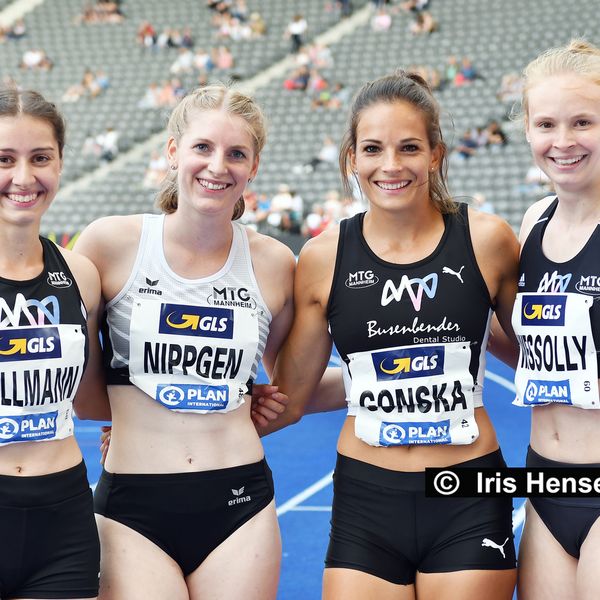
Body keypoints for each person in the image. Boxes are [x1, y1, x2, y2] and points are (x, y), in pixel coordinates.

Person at [262, 71, 520, 599]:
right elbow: (290, 397)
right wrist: (153, 432)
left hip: (469, 488)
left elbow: (547, 363)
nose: (391, 165)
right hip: (366, 496)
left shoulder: (489, 240)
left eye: (409, 148)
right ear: (352, 158)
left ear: (435, 155)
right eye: (373, 149)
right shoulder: (323, 257)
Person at [74, 84, 295, 600]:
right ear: (172, 151)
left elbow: (290, 384)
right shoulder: (110, 244)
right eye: (202, 147)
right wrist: (130, 413)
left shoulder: (276, 263)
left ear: (253, 167)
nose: (218, 166)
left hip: (239, 506)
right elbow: (78, 382)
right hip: (133, 506)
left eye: (236, 153)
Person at [0, 87, 109, 599]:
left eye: (40, 158)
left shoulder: (81, 275)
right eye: (5, 160)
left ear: (61, 163)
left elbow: (91, 400)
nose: (24, 178)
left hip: (63, 521)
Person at [509, 40, 600, 600]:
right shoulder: (534, 220)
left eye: (583, 122)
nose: (562, 142)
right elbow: (525, 347)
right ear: (526, 129)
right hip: (545, 483)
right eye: (546, 123)